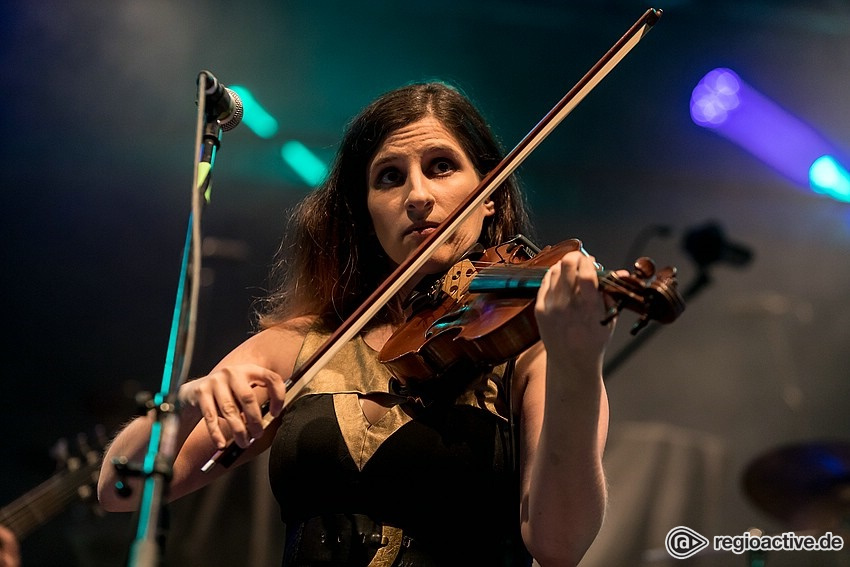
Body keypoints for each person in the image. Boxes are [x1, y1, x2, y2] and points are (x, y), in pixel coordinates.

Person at [98, 81, 615, 566]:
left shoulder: (530, 348)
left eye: (441, 167)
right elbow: (121, 490)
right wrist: (188, 401)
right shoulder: (300, 346)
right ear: (366, 212)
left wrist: (578, 361)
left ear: (490, 194)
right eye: (389, 176)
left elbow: (558, 544)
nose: (417, 195)